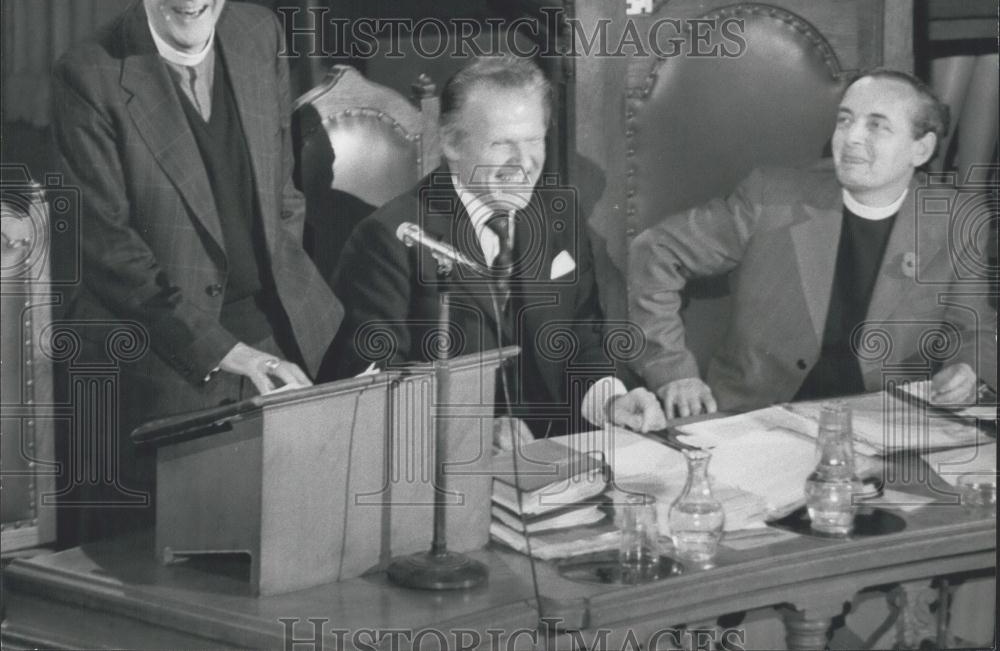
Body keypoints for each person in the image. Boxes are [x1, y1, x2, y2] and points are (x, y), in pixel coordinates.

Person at [50, 0, 343, 536]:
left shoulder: (258, 31)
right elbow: (110, 254)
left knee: (352, 483)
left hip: (272, 316)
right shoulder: (90, 77)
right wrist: (223, 351)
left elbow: (282, 195)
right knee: (209, 537)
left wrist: (281, 320)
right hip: (157, 338)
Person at [330, 56, 665, 444]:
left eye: (534, 140)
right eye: (502, 143)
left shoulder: (559, 215)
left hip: (562, 455)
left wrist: (609, 400)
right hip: (447, 472)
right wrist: (472, 429)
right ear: (451, 143)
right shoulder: (389, 239)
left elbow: (580, 336)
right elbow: (371, 385)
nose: (523, 163)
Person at [629, 69, 997, 417]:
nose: (851, 137)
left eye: (877, 126)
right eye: (845, 119)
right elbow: (656, 249)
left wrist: (969, 369)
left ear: (921, 149)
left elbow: (972, 328)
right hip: (759, 419)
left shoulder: (954, 219)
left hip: (888, 421)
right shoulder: (772, 196)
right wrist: (672, 371)